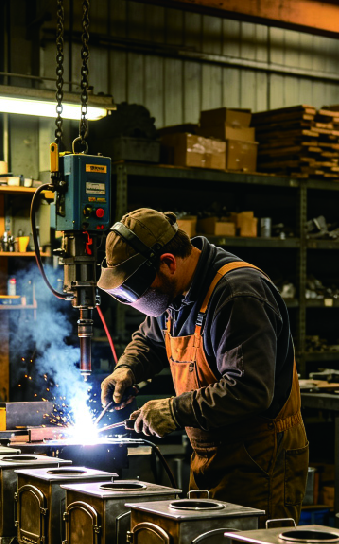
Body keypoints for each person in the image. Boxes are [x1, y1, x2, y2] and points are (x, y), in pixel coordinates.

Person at [97, 208, 308, 523]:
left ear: (169, 262)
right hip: (210, 455)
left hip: (260, 462)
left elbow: (249, 389)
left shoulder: (237, 294)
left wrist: (174, 410)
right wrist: (127, 368)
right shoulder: (175, 291)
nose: (134, 302)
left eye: (137, 291)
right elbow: (150, 339)